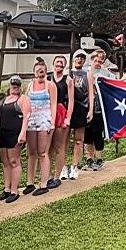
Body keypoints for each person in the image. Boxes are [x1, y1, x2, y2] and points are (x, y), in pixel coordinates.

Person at [23, 58, 57, 192]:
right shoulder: (30, 85)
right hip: (32, 120)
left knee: (42, 152)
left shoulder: (50, 85)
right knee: (31, 152)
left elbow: (53, 104)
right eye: (37, 71)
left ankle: (43, 183)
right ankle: (30, 182)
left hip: (44, 120)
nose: (40, 73)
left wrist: (52, 122)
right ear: (34, 73)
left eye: (42, 71)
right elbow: (26, 102)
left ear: (46, 71)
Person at [0, 75, 29, 202]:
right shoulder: (3, 100)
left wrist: (23, 133)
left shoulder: (23, 99)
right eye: (13, 84)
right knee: (5, 162)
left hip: (16, 134)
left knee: (14, 161)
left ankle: (15, 190)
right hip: (3, 134)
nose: (15, 87)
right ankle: (7, 189)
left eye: (17, 85)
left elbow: (26, 116)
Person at [67, 50, 96, 175]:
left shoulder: (87, 73)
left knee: (79, 139)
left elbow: (90, 93)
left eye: (82, 58)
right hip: (69, 107)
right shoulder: (68, 73)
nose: (79, 60)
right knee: (64, 139)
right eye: (77, 57)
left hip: (82, 107)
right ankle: (62, 164)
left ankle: (75, 164)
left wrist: (90, 110)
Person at [49, 55, 74, 186]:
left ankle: (57, 176)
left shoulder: (68, 80)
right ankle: (47, 176)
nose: (59, 64)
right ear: (53, 64)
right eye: (57, 61)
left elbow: (71, 100)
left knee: (60, 146)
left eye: (62, 62)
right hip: (48, 113)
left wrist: (68, 118)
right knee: (47, 147)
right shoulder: (48, 79)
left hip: (61, 112)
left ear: (64, 65)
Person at [85, 48, 112, 170]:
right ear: (91, 60)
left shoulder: (105, 73)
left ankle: (99, 157)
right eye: (95, 59)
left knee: (98, 134)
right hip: (87, 107)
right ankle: (89, 158)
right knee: (88, 135)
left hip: (100, 108)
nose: (98, 62)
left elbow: (114, 82)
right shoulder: (86, 72)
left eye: (100, 60)